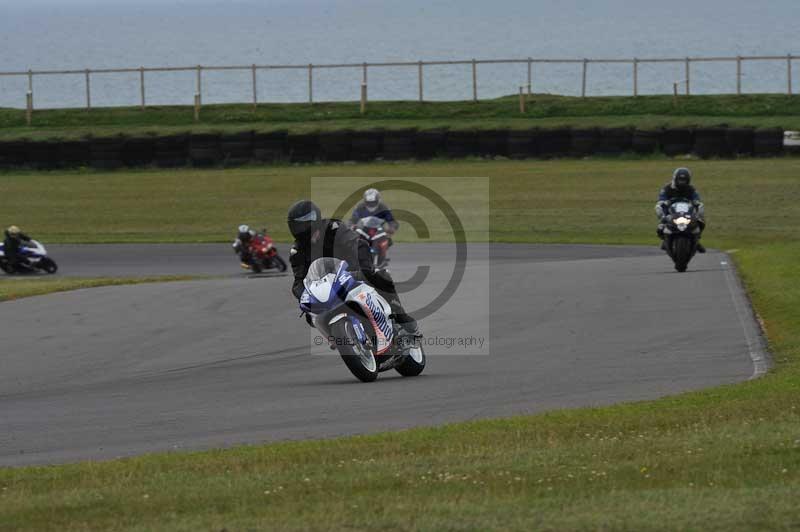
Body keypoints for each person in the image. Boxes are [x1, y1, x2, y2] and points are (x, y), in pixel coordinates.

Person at [287, 199, 419, 340]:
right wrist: (304, 297)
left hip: (351, 272)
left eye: (304, 223)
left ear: (315, 218)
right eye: (297, 225)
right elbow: (298, 282)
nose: (301, 228)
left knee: (381, 275)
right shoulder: (297, 251)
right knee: (310, 315)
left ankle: (401, 315)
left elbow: (358, 244)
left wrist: (364, 268)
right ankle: (340, 340)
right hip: (326, 288)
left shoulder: (334, 228)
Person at [655, 168, 706, 253]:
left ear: (688, 180)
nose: (682, 182)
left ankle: (696, 241)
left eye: (684, 180)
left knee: (701, 222)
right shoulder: (667, 188)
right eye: (680, 180)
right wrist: (662, 203)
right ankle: (665, 239)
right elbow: (661, 199)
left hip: (687, 212)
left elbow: (697, 199)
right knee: (660, 228)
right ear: (675, 179)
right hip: (671, 212)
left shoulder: (691, 189)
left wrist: (697, 203)